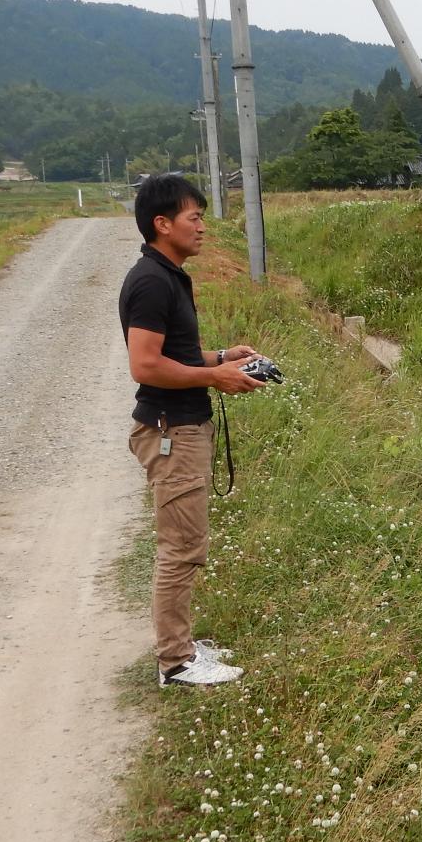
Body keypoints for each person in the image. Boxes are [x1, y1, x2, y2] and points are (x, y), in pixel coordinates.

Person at [118, 173, 263, 687]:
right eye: (194, 218)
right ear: (163, 224)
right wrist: (214, 377)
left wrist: (223, 358)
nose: (202, 227)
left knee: (186, 542)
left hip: (180, 426)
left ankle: (179, 645)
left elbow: (174, 356)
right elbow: (146, 366)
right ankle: (176, 661)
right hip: (170, 430)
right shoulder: (152, 281)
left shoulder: (168, 274)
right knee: (181, 547)